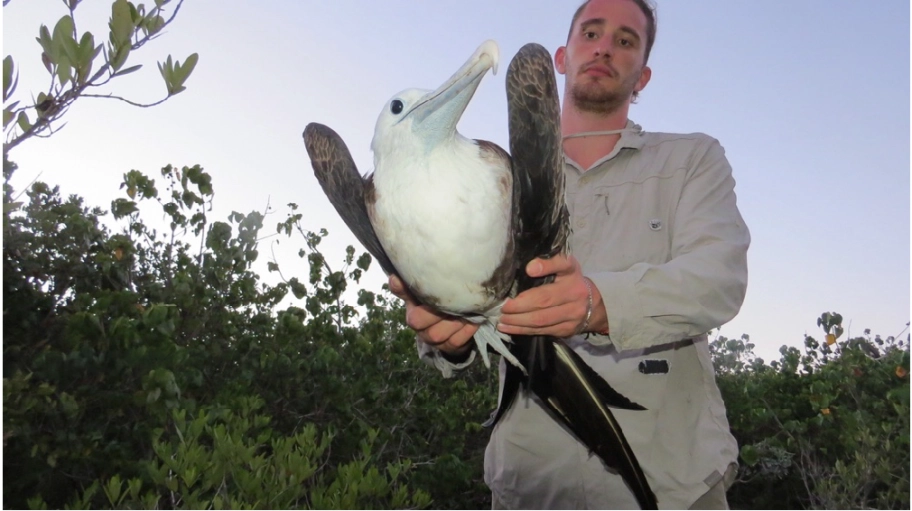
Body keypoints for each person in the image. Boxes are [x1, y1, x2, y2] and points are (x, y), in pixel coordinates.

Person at [388, 0, 750, 508]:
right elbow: (456, 324)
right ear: (562, 56)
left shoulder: (692, 159)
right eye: (592, 32)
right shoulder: (490, 176)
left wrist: (598, 304)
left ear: (642, 76)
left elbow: (719, 278)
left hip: (677, 485)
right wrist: (446, 334)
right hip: (531, 486)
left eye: (626, 40)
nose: (605, 47)